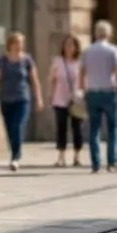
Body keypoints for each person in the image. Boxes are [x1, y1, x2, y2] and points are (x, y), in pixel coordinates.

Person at [0, 31, 43, 171]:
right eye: (17, 43)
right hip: (6, 99)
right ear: (11, 44)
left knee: (17, 126)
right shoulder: (2, 61)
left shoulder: (27, 60)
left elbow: (34, 80)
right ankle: (14, 151)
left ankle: (15, 157)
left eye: (21, 43)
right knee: (9, 129)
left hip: (22, 99)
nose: (20, 45)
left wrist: (38, 98)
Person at [79, 20, 117, 174]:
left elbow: (82, 73)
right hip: (108, 91)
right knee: (113, 128)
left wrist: (83, 90)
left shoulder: (87, 51)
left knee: (94, 128)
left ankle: (95, 163)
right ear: (109, 34)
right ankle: (112, 162)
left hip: (92, 92)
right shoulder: (113, 50)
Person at [48, 33, 84, 168]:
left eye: (72, 45)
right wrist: (50, 94)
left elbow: (84, 81)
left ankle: (77, 156)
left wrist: (84, 95)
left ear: (76, 47)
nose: (69, 47)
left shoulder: (79, 63)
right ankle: (61, 157)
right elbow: (52, 79)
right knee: (61, 128)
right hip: (60, 99)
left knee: (77, 128)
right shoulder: (58, 61)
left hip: (76, 100)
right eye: (66, 45)